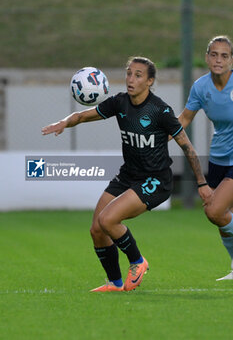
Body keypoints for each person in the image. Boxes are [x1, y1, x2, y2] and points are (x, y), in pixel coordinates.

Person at [42, 56, 211, 292]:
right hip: (128, 175)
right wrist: (63, 122)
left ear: (150, 81)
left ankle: (138, 261)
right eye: (129, 73)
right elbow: (81, 116)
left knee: (108, 219)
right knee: (97, 230)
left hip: (156, 180)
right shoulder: (120, 103)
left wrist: (202, 183)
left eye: (138, 75)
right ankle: (115, 282)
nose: (131, 79)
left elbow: (188, 147)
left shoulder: (160, 110)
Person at [178, 36, 233, 280]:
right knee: (223, 219)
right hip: (219, 157)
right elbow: (185, 119)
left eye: (224, 55)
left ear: (231, 60)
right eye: (214, 54)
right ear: (207, 57)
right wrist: (159, 138)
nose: (218, 60)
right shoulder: (201, 87)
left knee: (214, 210)